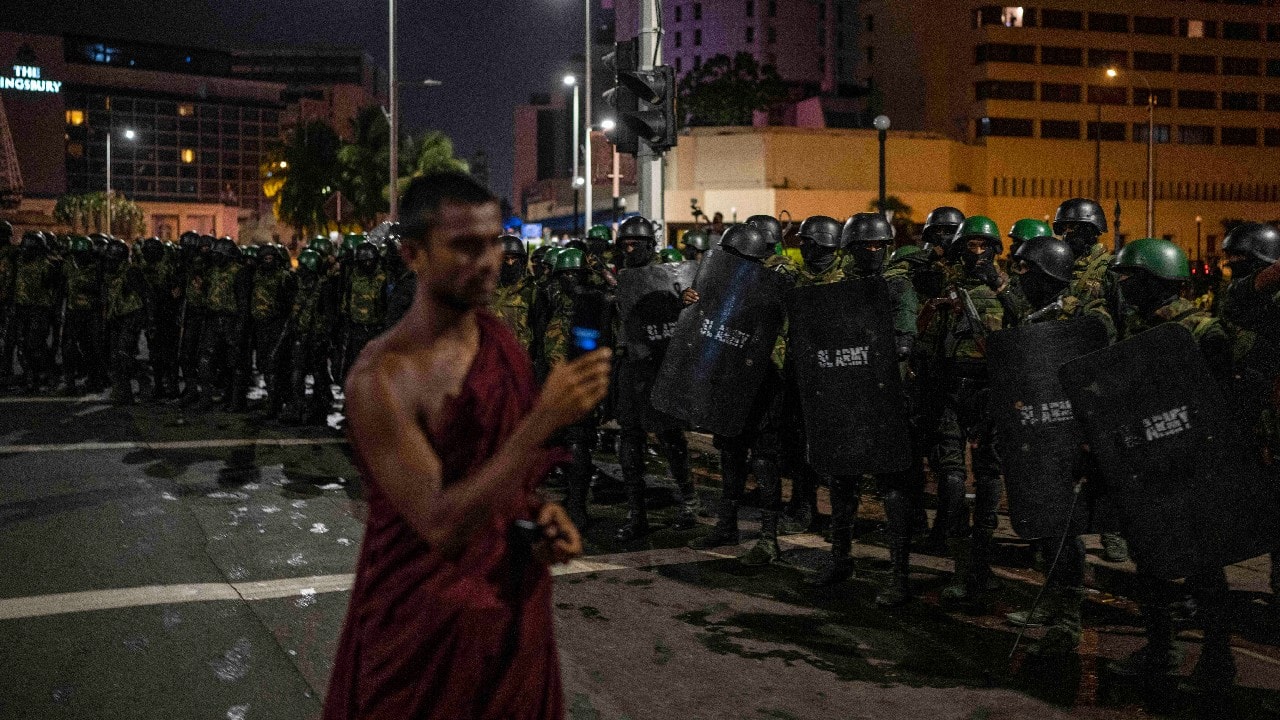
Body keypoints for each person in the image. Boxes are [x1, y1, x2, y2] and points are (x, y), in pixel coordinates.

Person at [324, 172, 610, 720]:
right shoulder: (383, 376)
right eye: (464, 246)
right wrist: (544, 421)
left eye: (495, 241)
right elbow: (440, 524)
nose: (487, 260)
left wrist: (539, 512)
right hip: (422, 628)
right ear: (413, 254)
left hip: (510, 611)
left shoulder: (499, 342)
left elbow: (497, 470)